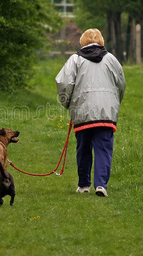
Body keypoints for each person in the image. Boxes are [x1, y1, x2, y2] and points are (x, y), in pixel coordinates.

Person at [55, 28, 126, 197]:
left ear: (82, 41)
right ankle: (101, 185)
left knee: (83, 149)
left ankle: (84, 184)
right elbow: (121, 84)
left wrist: (67, 103)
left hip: (82, 112)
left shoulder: (75, 60)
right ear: (101, 41)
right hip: (106, 113)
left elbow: (64, 82)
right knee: (103, 149)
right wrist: (115, 103)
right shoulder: (111, 59)